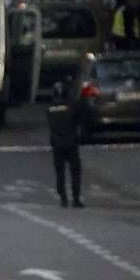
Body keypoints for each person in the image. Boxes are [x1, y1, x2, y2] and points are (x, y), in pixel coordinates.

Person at [46, 80, 83, 208]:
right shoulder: (72, 105)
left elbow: (51, 124)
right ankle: (76, 198)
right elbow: (79, 119)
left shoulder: (50, 108)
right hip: (71, 142)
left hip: (57, 143)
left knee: (60, 172)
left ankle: (63, 198)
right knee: (75, 171)